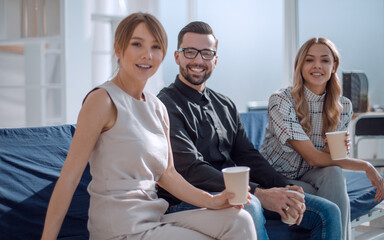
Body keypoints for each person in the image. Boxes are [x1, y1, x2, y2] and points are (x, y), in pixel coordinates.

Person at [41, 13, 257, 240]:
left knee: (240, 220)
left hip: (155, 218)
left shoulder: (157, 107)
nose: (147, 55)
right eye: (137, 44)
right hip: (119, 228)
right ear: (118, 48)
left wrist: (213, 200)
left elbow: (168, 175)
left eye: (156, 47)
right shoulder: (103, 100)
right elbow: (69, 178)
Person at [157, 21, 342, 240]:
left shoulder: (225, 105)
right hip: (190, 201)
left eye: (206, 54)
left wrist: (285, 187)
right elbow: (192, 170)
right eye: (190, 52)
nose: (198, 60)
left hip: (237, 193)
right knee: (252, 205)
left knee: (328, 212)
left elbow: (248, 157)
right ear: (177, 57)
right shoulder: (165, 105)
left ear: (215, 61)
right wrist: (259, 192)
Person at [260, 37, 384, 240]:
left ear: (334, 66)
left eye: (325, 60)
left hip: (314, 176)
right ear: (300, 65)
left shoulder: (343, 107)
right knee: (329, 194)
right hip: (277, 177)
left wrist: (334, 151)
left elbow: (331, 159)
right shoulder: (281, 100)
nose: (317, 65)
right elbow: (313, 158)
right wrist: (366, 166)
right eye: (309, 60)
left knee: (334, 173)